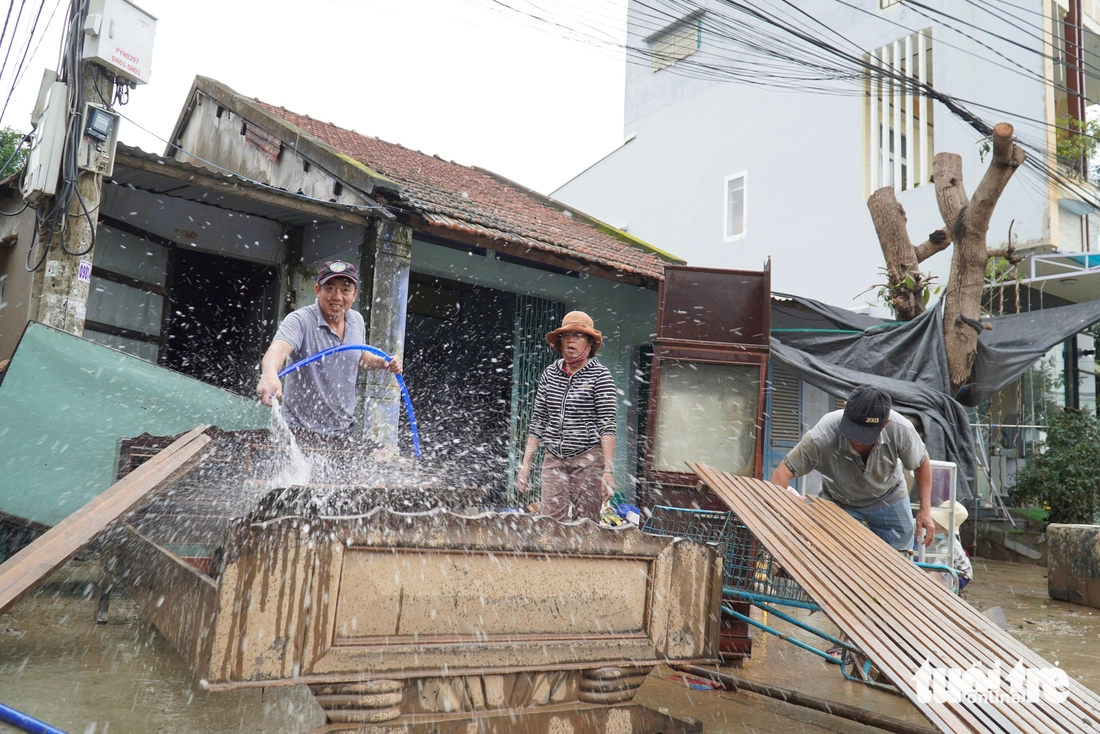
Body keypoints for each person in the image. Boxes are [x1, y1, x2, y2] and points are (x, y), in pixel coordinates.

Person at [770, 385, 936, 551]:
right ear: (845, 409)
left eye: (865, 435)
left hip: (889, 499)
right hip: (840, 501)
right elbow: (782, 473)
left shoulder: (901, 429)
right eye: (853, 431)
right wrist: (775, 523)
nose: (857, 441)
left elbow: (921, 462)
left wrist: (925, 510)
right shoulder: (822, 435)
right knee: (829, 557)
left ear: (885, 424)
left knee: (899, 563)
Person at [255, 260, 402, 444]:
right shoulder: (300, 320)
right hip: (297, 430)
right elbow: (278, 349)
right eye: (330, 288)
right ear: (318, 290)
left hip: (342, 431)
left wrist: (382, 362)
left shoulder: (356, 320)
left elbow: (359, 357)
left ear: (354, 295)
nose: (337, 296)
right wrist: (269, 374)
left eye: (345, 290)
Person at [516, 311, 617, 522]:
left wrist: (607, 471)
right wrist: (525, 465)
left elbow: (607, 426)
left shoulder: (600, 375)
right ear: (560, 342)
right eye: (567, 335)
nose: (571, 340)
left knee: (586, 523)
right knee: (550, 523)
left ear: (589, 342)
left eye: (578, 335)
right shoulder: (550, 374)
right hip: (554, 457)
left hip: (589, 459)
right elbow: (538, 422)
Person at [924, 500, 974, 589]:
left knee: (937, 582)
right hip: (936, 564)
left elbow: (938, 569)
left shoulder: (948, 545)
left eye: (937, 523)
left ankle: (947, 589)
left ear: (946, 529)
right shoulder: (935, 535)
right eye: (933, 520)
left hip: (959, 574)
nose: (932, 524)